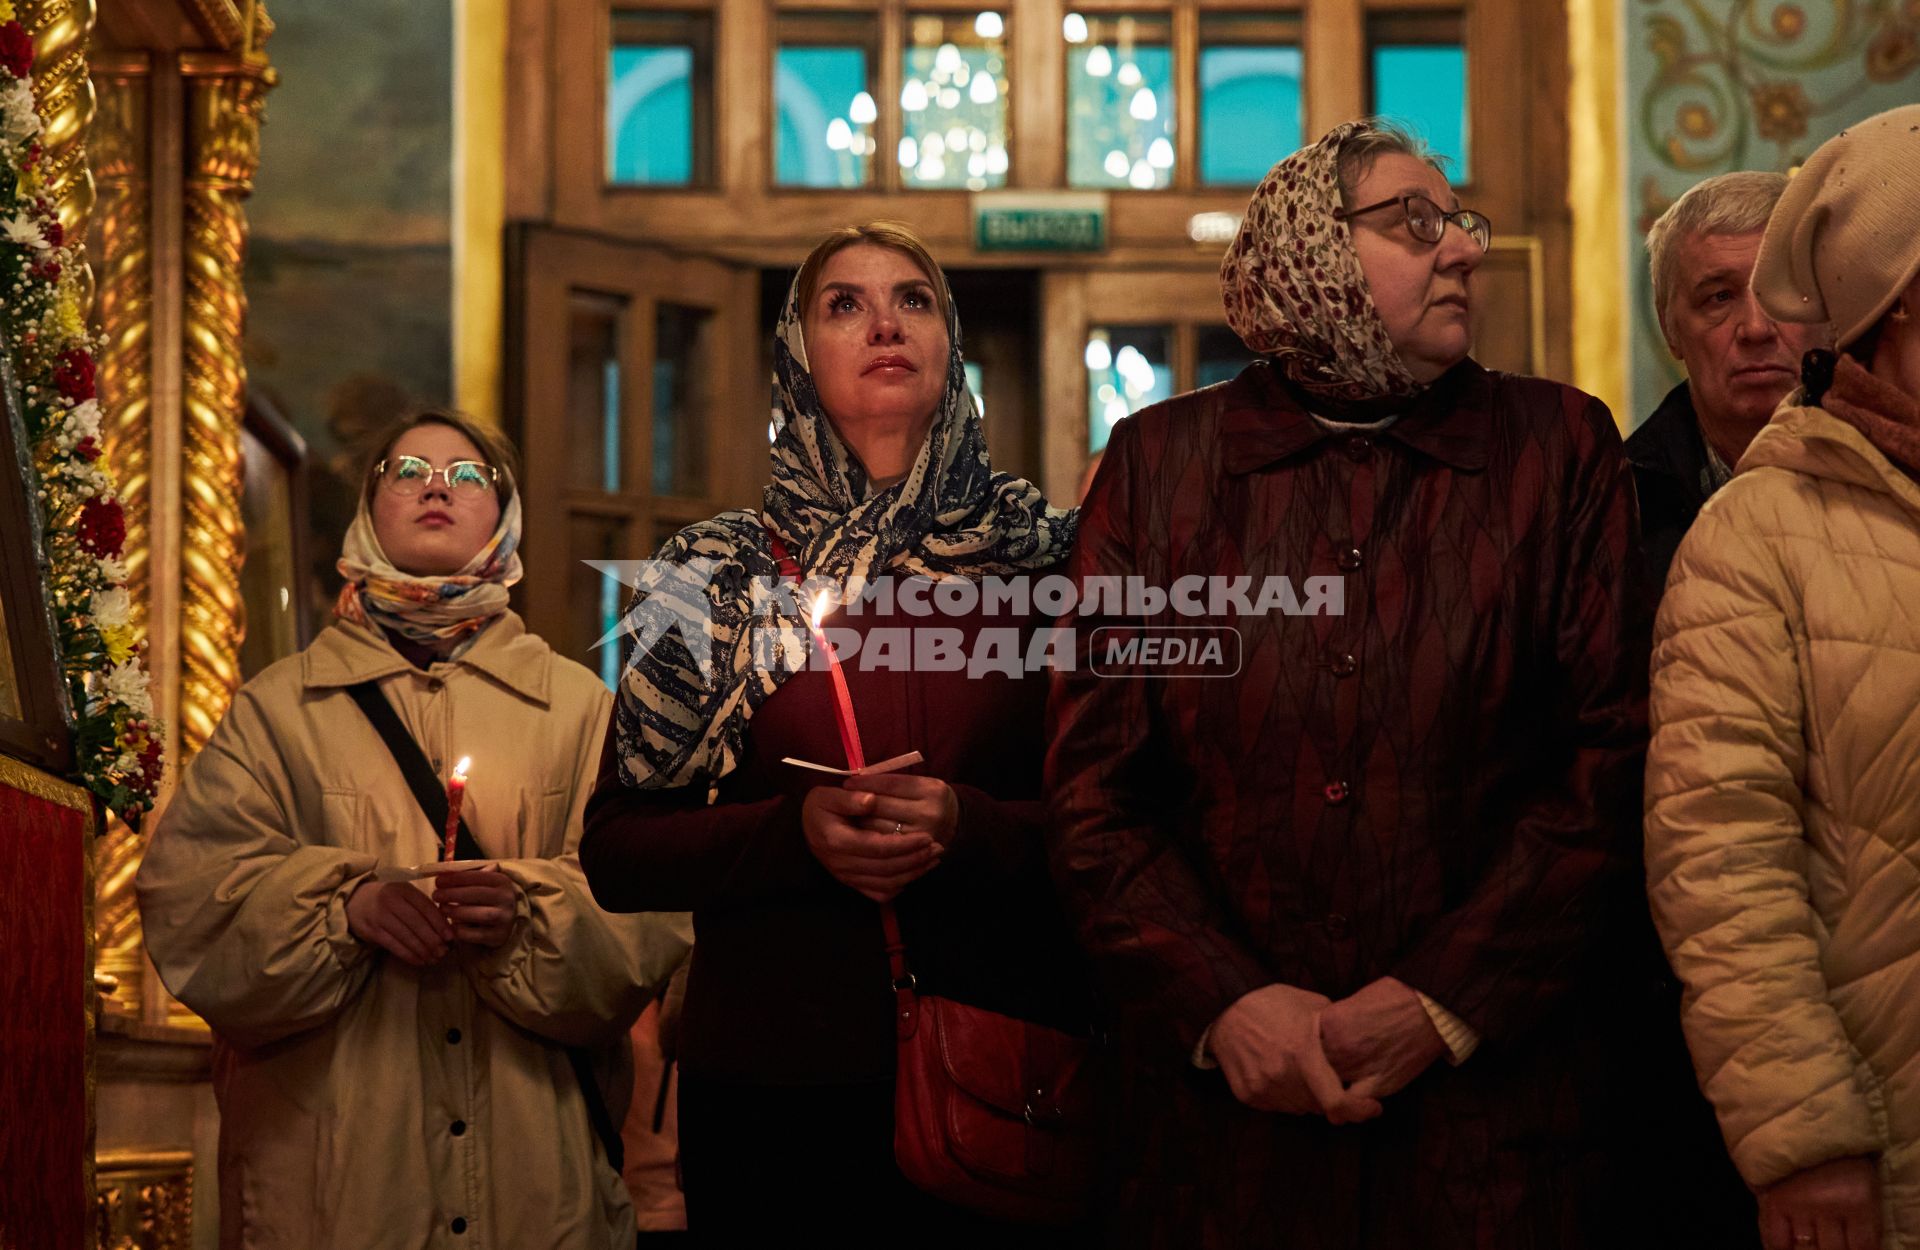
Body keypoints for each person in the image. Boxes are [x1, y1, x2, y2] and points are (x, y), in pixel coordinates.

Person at [1045, 120, 1651, 1247]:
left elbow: (1613, 757)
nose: (1463, 248)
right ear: (1309, 250)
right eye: (1414, 221)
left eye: (1459, 220)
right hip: (1220, 1142)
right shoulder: (1161, 465)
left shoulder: (1556, 448)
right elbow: (1097, 790)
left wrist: (1439, 1000)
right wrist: (1225, 1000)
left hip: (1498, 1136)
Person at [578, 222, 1089, 1243]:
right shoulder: (709, 571)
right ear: (797, 351)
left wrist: (968, 824)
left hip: (1004, 1076)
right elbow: (618, 847)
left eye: (914, 299)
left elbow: (1121, 821)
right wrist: (793, 833)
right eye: (843, 303)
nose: (884, 322)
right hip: (773, 1093)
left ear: (949, 344)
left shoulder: (1052, 564)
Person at [136, 409, 691, 1250]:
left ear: (502, 515)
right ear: (370, 507)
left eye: (468, 475)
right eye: (408, 470)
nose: (438, 485)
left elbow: (653, 913)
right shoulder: (280, 710)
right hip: (338, 1191)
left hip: (538, 1186)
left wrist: (526, 913)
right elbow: (190, 904)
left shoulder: (580, 709)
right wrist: (341, 909)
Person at [1646, 103, 1920, 1250]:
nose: (1750, 325)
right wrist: (1805, 1134)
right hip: (1881, 1127)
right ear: (1884, 322)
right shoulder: (1752, 533)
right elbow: (1721, 860)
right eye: (1717, 299)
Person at [1633, 171, 1830, 587]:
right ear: (1670, 328)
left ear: (1832, 313)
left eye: (1781, 290)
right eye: (1719, 297)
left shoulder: (1894, 467)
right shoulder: (1617, 504)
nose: (1756, 329)